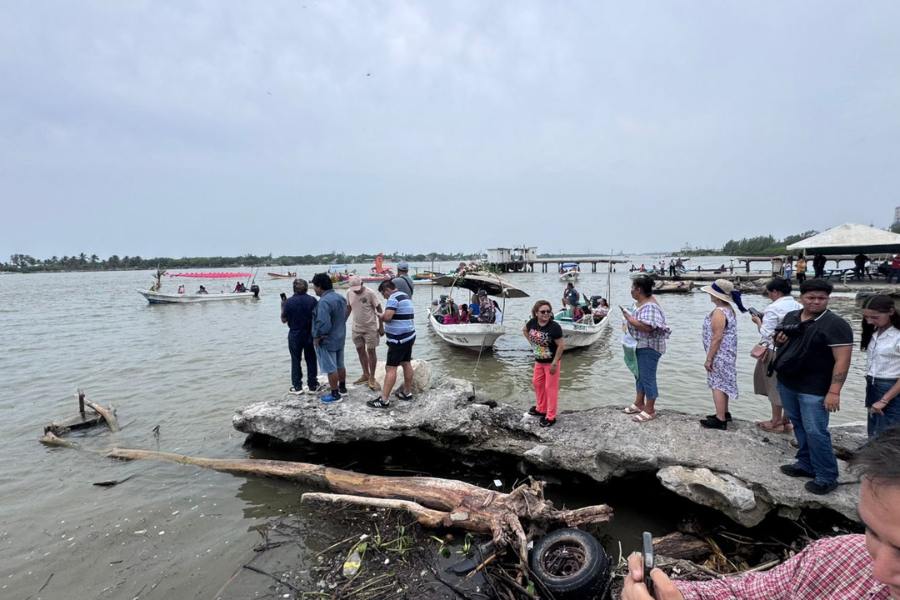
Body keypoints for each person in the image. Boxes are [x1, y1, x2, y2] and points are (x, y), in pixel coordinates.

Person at [621, 424, 900, 600]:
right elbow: (745, 591)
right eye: (871, 531)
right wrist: (671, 593)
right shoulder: (834, 558)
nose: (879, 570)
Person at [772, 278, 853, 495]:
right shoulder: (792, 316)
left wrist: (834, 391)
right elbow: (784, 343)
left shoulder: (836, 325)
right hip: (788, 381)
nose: (816, 302)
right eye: (811, 297)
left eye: (821, 298)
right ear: (801, 298)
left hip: (815, 387)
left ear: (828, 299)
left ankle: (827, 475)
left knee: (816, 431)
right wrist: (779, 341)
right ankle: (805, 463)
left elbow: (843, 359)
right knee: (798, 424)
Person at [751, 277, 802, 433]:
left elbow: (767, 333)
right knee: (790, 386)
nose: (769, 295)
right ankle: (787, 420)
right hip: (795, 351)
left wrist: (758, 321)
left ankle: (775, 421)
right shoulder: (799, 305)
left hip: (776, 351)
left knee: (774, 385)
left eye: (769, 292)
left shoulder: (773, 308)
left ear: (775, 291)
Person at [699, 279, 747, 430]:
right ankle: (724, 412)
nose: (710, 296)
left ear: (717, 296)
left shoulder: (719, 312)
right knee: (723, 382)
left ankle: (720, 419)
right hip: (728, 353)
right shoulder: (729, 309)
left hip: (719, 354)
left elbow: (717, 337)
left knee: (717, 384)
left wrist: (709, 358)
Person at [622, 276, 671, 423]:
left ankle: (650, 409)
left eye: (632, 287)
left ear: (638, 290)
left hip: (649, 347)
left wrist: (630, 319)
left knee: (648, 377)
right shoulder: (641, 303)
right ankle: (639, 403)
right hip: (638, 345)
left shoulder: (650, 306)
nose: (630, 290)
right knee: (639, 375)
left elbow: (648, 327)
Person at [367, 279, 416, 409]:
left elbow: (388, 317)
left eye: (383, 294)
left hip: (398, 340)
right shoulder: (405, 296)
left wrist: (379, 315)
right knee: (406, 363)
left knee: (390, 368)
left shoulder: (393, 298)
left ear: (387, 290)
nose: (384, 297)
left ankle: (384, 400)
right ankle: (407, 392)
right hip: (409, 336)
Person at [862, 295, 900, 438]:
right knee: (873, 430)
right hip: (872, 384)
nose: (869, 321)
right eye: (866, 317)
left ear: (891, 312)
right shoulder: (874, 332)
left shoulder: (897, 336)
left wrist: (885, 399)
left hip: (892, 387)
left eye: (875, 317)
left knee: (889, 433)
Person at [523, 300, 565, 427]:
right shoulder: (532, 322)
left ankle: (551, 416)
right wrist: (533, 343)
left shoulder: (554, 327)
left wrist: (554, 363)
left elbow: (561, 345)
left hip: (551, 362)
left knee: (550, 388)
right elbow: (524, 330)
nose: (546, 313)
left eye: (548, 311)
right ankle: (541, 409)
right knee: (537, 383)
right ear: (536, 313)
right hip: (538, 361)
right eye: (542, 311)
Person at [311, 273, 348, 404]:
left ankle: (334, 394)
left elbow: (323, 322)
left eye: (314, 286)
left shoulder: (323, 302)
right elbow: (344, 316)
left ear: (320, 286)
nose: (314, 289)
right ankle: (343, 387)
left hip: (327, 339)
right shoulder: (341, 298)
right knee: (340, 364)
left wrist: (317, 337)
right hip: (340, 336)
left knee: (330, 367)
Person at [345, 275, 383, 391]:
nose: (356, 291)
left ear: (362, 284)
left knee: (371, 351)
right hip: (356, 328)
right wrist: (342, 321)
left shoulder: (370, 293)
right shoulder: (349, 292)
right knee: (360, 350)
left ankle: (372, 377)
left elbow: (379, 308)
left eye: (358, 288)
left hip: (370, 327)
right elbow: (348, 308)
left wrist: (381, 326)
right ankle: (365, 374)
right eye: (354, 289)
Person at [281, 278, 319, 395]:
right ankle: (312, 385)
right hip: (309, 333)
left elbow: (283, 319)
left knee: (295, 360)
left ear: (294, 289)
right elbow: (317, 317)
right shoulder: (313, 300)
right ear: (307, 288)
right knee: (311, 359)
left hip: (295, 334)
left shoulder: (288, 302)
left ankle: (297, 386)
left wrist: (283, 305)